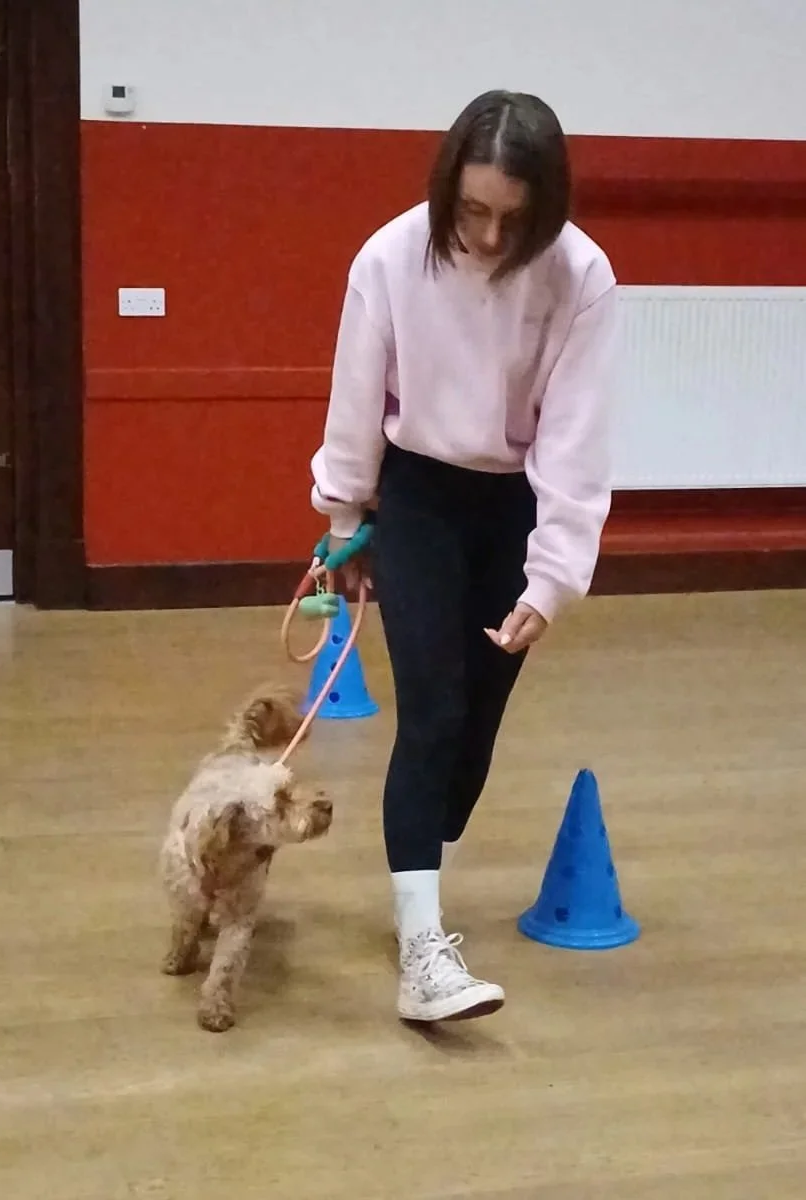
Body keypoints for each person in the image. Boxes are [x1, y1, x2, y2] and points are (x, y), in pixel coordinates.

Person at [309, 89, 618, 1023]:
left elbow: (577, 438)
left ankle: (424, 848)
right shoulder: (391, 255)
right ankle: (421, 954)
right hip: (418, 498)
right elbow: (357, 398)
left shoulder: (581, 276)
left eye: (511, 219)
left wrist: (555, 577)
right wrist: (340, 521)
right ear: (448, 188)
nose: (486, 237)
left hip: (512, 506)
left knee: (472, 732)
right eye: (472, 210)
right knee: (433, 711)